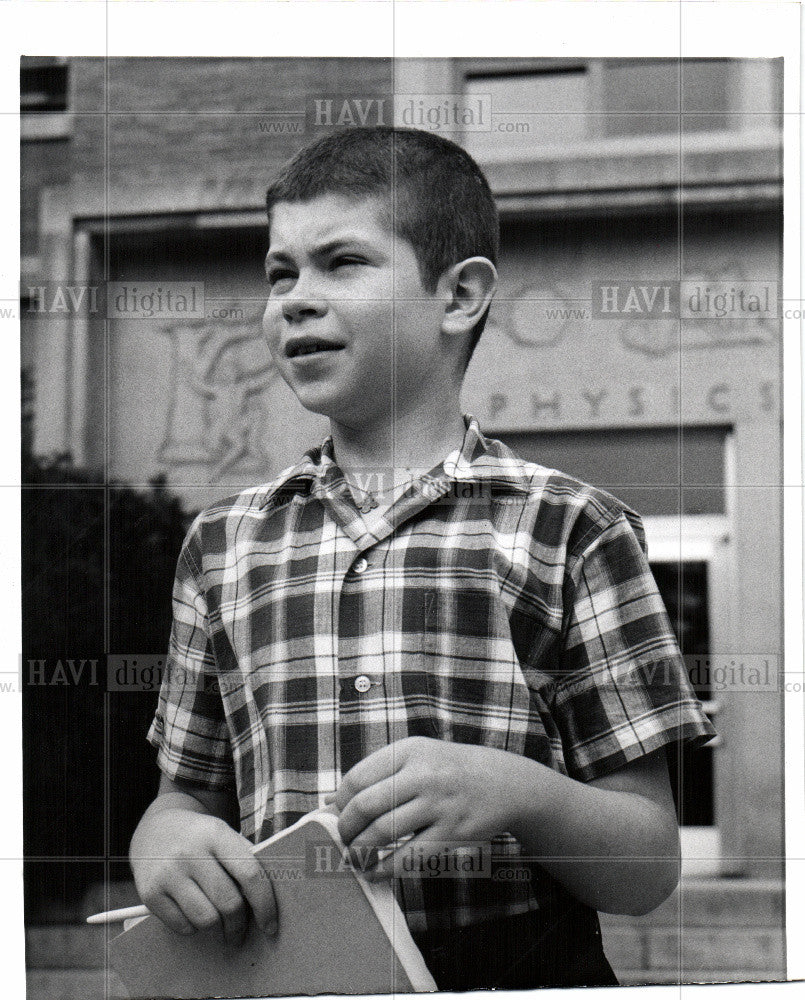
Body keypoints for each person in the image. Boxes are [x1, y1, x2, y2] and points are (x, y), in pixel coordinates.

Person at [130, 125, 716, 990]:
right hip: (285, 976)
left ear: (458, 296)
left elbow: (646, 866)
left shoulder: (573, 528)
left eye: (342, 262)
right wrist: (163, 842)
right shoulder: (222, 544)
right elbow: (186, 798)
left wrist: (520, 792)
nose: (294, 297)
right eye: (279, 272)